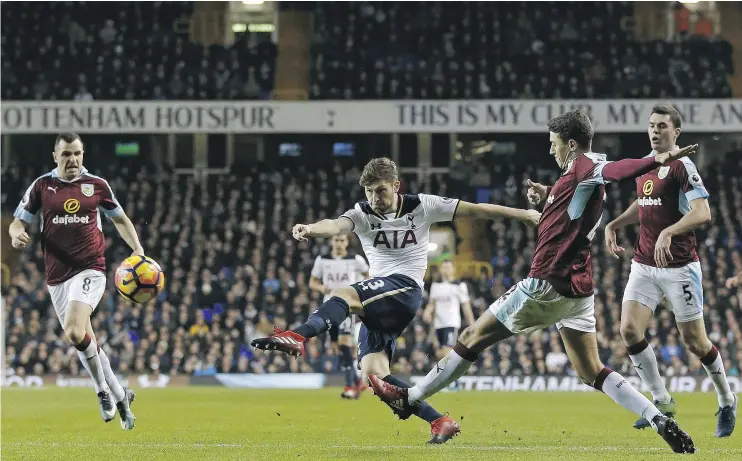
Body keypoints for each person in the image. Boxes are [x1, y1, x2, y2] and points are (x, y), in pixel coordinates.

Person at [367, 110, 697, 454]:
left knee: (471, 337)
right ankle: (658, 417)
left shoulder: (586, 167)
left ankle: (410, 398)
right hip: (579, 288)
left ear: (570, 144)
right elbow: (579, 195)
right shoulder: (574, 176)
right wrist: (549, 194)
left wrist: (661, 158)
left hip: (546, 282)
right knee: (591, 371)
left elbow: (616, 170)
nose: (551, 151)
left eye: (554, 144)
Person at [251, 157, 541, 444]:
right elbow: (336, 225)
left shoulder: (422, 205)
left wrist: (524, 214)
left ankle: (297, 336)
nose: (374, 198)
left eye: (380, 190)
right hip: (380, 300)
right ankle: (440, 421)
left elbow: (476, 210)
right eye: (368, 192)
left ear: (396, 185)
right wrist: (311, 228)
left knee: (344, 294)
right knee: (377, 378)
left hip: (405, 290)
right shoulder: (362, 214)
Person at [605, 104, 737, 436]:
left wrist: (669, 231)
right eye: (651, 125)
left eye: (662, 126)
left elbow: (702, 212)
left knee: (696, 341)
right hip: (644, 265)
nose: (655, 130)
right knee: (629, 331)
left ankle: (726, 399)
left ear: (675, 132)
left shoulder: (682, 166)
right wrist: (616, 223)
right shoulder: (648, 165)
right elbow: (645, 202)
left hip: (679, 267)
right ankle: (662, 400)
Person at [9, 132, 140, 430]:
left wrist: (138, 250)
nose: (73, 159)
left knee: (72, 331)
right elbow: (18, 220)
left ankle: (101, 391)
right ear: (55, 156)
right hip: (56, 277)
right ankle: (122, 397)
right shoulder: (42, 186)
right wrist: (15, 233)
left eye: (77, 153)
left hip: (90, 269)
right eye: (67, 154)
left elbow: (119, 218)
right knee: (85, 339)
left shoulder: (96, 185)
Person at [309, 234, 369, 399]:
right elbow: (312, 282)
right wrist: (322, 288)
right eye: (336, 240)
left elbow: (368, 276)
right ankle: (357, 381)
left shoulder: (355, 259)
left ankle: (350, 386)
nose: (339, 243)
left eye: (342, 240)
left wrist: (359, 292)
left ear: (347, 242)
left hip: (346, 306)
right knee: (338, 347)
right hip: (328, 306)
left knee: (344, 344)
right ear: (331, 241)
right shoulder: (322, 260)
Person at [423, 260, 474, 362]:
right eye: (444, 267)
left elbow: (466, 307)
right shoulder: (435, 286)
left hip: (451, 323)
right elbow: (432, 304)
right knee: (439, 354)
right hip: (437, 325)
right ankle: (452, 376)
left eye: (448, 267)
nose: (446, 270)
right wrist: (427, 312)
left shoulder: (459, 285)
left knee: (447, 352)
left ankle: (454, 377)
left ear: (453, 270)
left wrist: (472, 325)